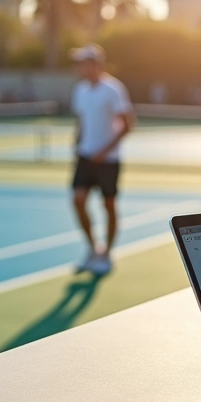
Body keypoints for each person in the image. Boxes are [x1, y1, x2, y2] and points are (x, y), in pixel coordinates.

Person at [69, 44, 135, 275]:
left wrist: (104, 152)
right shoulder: (80, 90)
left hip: (108, 161)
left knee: (108, 205)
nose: (80, 68)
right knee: (78, 200)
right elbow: (81, 122)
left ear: (95, 64)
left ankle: (106, 253)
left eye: (83, 63)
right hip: (85, 158)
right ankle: (92, 249)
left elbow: (128, 125)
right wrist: (77, 146)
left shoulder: (114, 89)